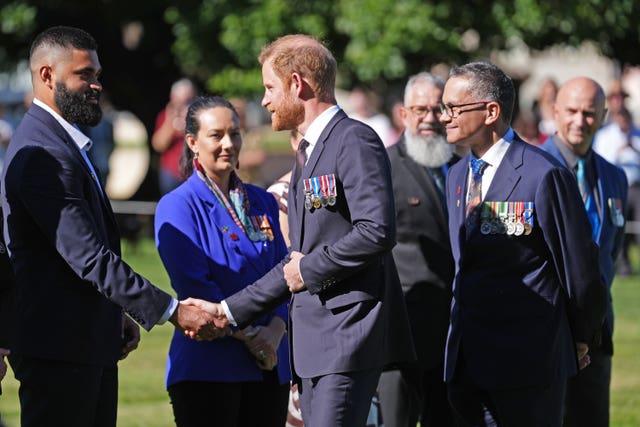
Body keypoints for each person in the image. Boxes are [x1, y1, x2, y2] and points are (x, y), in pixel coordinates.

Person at [0, 26, 223, 427]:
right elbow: (87, 255)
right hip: (58, 350)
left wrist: (112, 312)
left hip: (85, 343)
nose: (96, 84)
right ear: (47, 76)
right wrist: (172, 310)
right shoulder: (41, 153)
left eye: (97, 74)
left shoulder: (63, 143)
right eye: (84, 75)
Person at [188, 34, 415, 426]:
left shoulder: (353, 139)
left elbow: (376, 230)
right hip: (314, 347)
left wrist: (308, 270)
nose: (265, 100)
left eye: (270, 87)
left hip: (346, 337)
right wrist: (227, 310)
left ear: (297, 84)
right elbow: (294, 264)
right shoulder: (309, 153)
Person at [440, 61, 607, 426]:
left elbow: (580, 271)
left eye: (454, 108)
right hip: (467, 363)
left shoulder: (542, 174)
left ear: (491, 112)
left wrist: (579, 338)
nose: (444, 117)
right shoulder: (456, 175)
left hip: (528, 363)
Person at [154, 96, 291, 427]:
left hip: (271, 364)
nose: (228, 144)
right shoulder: (178, 207)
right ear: (192, 143)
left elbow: (285, 274)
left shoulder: (263, 202)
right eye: (216, 135)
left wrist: (276, 329)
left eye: (235, 134)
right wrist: (252, 337)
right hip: (211, 367)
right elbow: (196, 289)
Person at [541, 77, 628, 427]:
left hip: (597, 331)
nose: (580, 121)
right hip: (547, 330)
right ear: (555, 111)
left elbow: (612, 247)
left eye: (590, 113)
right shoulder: (530, 168)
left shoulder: (614, 177)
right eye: (572, 111)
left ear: (604, 115)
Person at [377, 72, 457, 427]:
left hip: (455, 333)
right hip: (403, 333)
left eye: (438, 109)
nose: (429, 118)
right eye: (420, 109)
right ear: (402, 114)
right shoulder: (382, 168)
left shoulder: (465, 166)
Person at [594, 107, 640, 275]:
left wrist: (633, 149)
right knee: (617, 225)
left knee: (636, 227)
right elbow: (601, 161)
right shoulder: (606, 136)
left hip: (636, 188)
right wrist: (618, 151)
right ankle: (622, 265)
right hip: (614, 188)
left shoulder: (637, 134)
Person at [151, 78, 197, 195]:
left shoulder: (199, 118)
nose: (185, 105)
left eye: (188, 100)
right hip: (171, 173)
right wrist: (171, 119)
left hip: (194, 172)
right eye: (180, 101)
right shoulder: (165, 116)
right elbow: (158, 145)